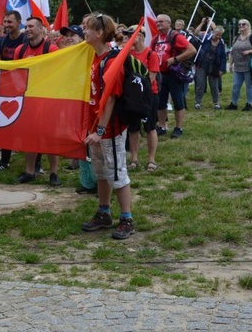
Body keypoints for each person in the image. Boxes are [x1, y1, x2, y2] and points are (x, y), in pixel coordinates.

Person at [81, 13, 136, 240]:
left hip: (109, 128)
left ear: (100, 33)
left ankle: (127, 218)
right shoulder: (94, 57)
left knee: (117, 173)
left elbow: (110, 99)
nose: (84, 32)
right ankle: (104, 212)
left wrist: (100, 131)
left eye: (87, 29)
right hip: (96, 128)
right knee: (102, 173)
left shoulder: (112, 61)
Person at [14, 16, 61, 186]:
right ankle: (29, 171)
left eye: (31, 26)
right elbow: (15, 73)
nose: (27, 29)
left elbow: (57, 73)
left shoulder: (51, 48)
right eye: (25, 26)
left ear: (41, 29)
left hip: (47, 99)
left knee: (50, 137)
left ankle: (54, 173)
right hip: (28, 99)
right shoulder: (20, 50)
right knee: (29, 136)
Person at [151, 14, 196, 138]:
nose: (158, 24)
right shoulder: (155, 39)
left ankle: (178, 127)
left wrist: (176, 59)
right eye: (157, 22)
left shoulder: (176, 36)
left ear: (168, 23)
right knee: (161, 101)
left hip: (173, 74)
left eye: (161, 22)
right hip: (160, 74)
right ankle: (162, 126)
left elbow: (192, 50)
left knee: (177, 100)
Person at [124, 25, 160, 173]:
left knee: (150, 127)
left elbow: (151, 78)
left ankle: (151, 159)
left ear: (141, 36)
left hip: (148, 95)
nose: (128, 38)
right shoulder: (128, 55)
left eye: (131, 35)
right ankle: (134, 159)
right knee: (133, 129)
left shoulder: (151, 54)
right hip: (133, 97)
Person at [0, 10, 24, 171]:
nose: (6, 25)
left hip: (24, 87)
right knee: (5, 123)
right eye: (5, 22)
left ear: (19, 23)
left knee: (27, 124)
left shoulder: (25, 40)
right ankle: (4, 160)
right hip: (6, 88)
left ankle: (34, 162)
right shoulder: (0, 42)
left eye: (10, 22)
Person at [227, 19, 252, 111]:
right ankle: (233, 103)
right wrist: (230, 64)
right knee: (235, 86)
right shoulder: (236, 38)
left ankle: (249, 104)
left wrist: (249, 51)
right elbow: (232, 52)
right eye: (239, 24)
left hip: (249, 67)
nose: (241, 26)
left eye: (243, 24)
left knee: (249, 85)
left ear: (248, 26)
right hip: (238, 67)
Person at [194, 25, 227, 110]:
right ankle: (198, 102)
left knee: (214, 85)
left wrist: (222, 69)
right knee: (200, 84)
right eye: (217, 34)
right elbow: (196, 33)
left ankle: (216, 102)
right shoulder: (205, 38)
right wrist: (202, 22)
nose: (218, 36)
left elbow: (223, 57)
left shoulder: (221, 43)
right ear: (213, 32)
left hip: (214, 66)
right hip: (202, 64)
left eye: (220, 35)